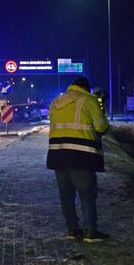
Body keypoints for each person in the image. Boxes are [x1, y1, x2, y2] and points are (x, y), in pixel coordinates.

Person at [47, 77, 110, 243]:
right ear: (86, 88)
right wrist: (101, 107)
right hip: (81, 154)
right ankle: (90, 231)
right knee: (87, 194)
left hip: (57, 154)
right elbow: (101, 127)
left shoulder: (56, 101)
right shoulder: (89, 100)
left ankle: (73, 229)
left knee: (66, 195)